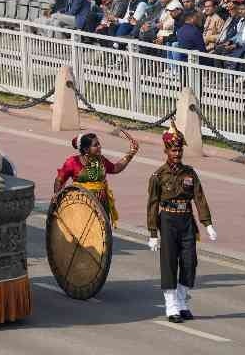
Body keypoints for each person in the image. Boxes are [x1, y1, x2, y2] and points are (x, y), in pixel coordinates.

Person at [147, 125, 216, 323]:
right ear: (166, 151)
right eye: (173, 150)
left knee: (189, 262)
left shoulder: (190, 173)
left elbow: (199, 198)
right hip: (167, 220)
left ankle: (181, 300)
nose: (177, 153)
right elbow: (152, 204)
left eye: (180, 150)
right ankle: (171, 307)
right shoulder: (158, 176)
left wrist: (207, 223)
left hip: (186, 220)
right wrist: (153, 233)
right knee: (169, 263)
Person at [53, 129, 139, 226]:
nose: (99, 147)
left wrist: (131, 153)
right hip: (81, 203)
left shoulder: (101, 160)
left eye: (99, 144)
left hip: (101, 204)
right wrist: (57, 199)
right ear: (86, 149)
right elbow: (59, 180)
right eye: (95, 145)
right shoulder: (73, 162)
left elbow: (115, 168)